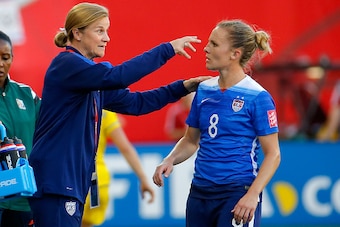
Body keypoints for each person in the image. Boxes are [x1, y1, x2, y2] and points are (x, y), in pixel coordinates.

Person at [27, 2, 210, 227]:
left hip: (67, 183)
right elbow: (119, 76)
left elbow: (137, 103)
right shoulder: (68, 64)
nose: (107, 38)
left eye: (107, 30)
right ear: (77, 33)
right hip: (56, 183)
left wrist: (182, 87)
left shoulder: (88, 78)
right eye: (100, 30)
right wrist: (167, 49)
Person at [153, 19, 281, 227]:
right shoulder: (204, 90)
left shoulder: (258, 97)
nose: (206, 48)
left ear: (235, 54)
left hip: (237, 193)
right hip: (199, 194)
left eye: (214, 44)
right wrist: (169, 160)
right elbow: (191, 140)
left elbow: (273, 154)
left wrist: (253, 195)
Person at [81, 110, 154, 227]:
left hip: (74, 181)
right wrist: (143, 178)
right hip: (99, 183)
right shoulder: (104, 109)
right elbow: (126, 148)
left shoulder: (66, 103)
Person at [0, 30, 41, 227]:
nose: (0, 63)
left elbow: (49, 129)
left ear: (12, 58)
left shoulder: (26, 94)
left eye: (5, 57)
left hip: (25, 196)